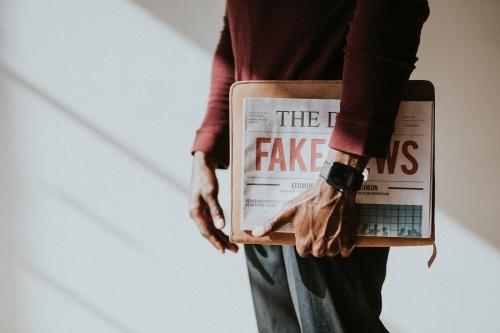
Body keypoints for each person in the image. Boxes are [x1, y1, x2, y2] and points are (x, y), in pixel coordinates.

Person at [189, 1, 429, 332]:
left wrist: (340, 175)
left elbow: (391, 11)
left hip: (327, 170)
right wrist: (211, 141)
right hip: (263, 163)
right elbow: (239, 20)